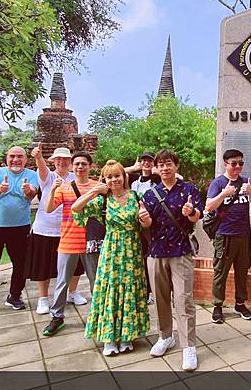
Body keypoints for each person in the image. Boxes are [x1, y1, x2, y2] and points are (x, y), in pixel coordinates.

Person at [71, 160, 150, 356]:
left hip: (132, 250)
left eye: (117, 175)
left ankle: (126, 335)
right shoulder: (103, 201)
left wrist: (145, 220)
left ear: (124, 177)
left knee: (130, 291)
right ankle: (108, 338)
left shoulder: (135, 196)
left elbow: (146, 224)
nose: (114, 179)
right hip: (111, 251)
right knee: (110, 290)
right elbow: (76, 209)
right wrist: (94, 191)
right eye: (109, 176)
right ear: (104, 179)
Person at [142, 149, 203, 371]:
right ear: (156, 168)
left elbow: (197, 216)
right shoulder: (150, 194)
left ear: (176, 166)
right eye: (161, 165)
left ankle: (189, 346)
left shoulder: (189, 190)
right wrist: (145, 220)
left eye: (169, 164)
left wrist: (190, 212)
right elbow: (147, 225)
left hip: (181, 253)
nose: (165, 168)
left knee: (183, 299)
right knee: (159, 299)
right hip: (156, 253)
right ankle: (165, 336)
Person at [0, 146, 39, 318]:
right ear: (7, 158)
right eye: (12, 156)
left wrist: (29, 191)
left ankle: (15, 296)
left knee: (20, 264)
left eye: (20, 157)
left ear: (26, 159)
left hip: (20, 227)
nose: (16, 160)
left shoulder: (32, 174)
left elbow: (32, 193)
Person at [42, 151, 99, 336]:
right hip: (68, 240)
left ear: (90, 166)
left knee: (96, 281)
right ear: (72, 167)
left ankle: (98, 315)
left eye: (84, 163)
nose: (80, 167)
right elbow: (49, 209)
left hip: (91, 242)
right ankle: (57, 316)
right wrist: (52, 189)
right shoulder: (64, 188)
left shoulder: (98, 187)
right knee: (62, 281)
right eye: (77, 164)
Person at [26, 144, 86, 315]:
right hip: (45, 228)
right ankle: (43, 298)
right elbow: (42, 168)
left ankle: (72, 293)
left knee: (75, 265)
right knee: (43, 265)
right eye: (58, 159)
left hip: (70, 229)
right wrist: (38, 157)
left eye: (66, 159)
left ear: (70, 162)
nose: (62, 162)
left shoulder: (75, 177)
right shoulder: (48, 177)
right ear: (53, 161)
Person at [205, 149, 251, 324]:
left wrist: (250, 190)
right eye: (234, 163)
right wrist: (223, 194)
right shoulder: (218, 182)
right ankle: (217, 306)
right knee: (220, 272)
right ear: (226, 164)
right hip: (225, 236)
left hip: (243, 235)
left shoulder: (245, 182)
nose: (238, 167)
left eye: (241, 163)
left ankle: (240, 304)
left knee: (242, 271)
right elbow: (209, 207)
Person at [127, 150, 161, 305]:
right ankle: (142, 290)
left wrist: (158, 170)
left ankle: (152, 290)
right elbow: (114, 171)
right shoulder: (134, 179)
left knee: (151, 258)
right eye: (144, 160)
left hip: (151, 224)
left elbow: (178, 177)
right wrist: (134, 167)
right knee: (138, 258)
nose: (146, 163)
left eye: (150, 161)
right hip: (135, 224)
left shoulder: (156, 180)